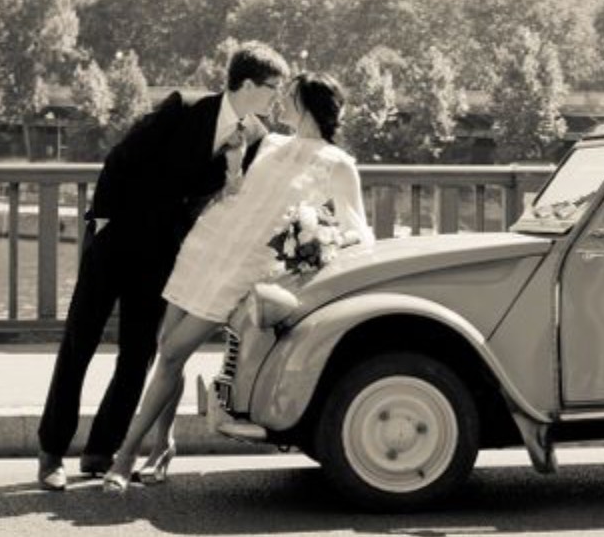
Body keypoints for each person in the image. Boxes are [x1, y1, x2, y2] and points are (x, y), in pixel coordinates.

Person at [102, 72, 375, 493]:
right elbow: (237, 192)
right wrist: (233, 164)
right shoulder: (271, 143)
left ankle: (125, 456)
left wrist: (314, 241)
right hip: (206, 249)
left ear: (306, 104)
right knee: (168, 352)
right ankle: (162, 446)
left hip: (245, 269)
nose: (280, 101)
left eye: (288, 95)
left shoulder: (338, 164)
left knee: (171, 353)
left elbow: (358, 234)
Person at [35, 43, 290, 491]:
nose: (278, 97)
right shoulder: (182, 107)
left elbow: (230, 200)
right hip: (116, 239)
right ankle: (51, 453)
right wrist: (103, 224)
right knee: (80, 342)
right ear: (248, 84)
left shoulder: (255, 138)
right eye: (273, 87)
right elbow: (120, 159)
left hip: (164, 254)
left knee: (138, 354)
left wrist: (233, 175)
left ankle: (101, 451)